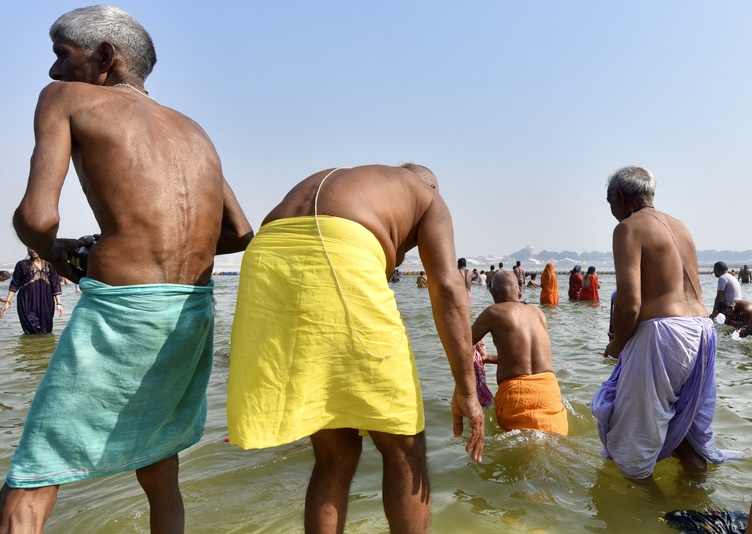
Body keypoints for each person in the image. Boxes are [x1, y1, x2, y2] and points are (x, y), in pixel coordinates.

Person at [0, 6, 254, 534]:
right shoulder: (193, 128)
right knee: (160, 465)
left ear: (106, 57)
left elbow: (36, 216)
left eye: (61, 56)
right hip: (191, 312)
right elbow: (239, 234)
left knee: (31, 477)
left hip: (123, 310)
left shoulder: (65, 99)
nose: (53, 73)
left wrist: (67, 254)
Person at [226, 164, 484, 533]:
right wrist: (467, 390)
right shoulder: (428, 197)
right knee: (403, 448)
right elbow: (447, 289)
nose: (409, 247)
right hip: (339, 249)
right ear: (427, 186)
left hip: (267, 258)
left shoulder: (357, 182)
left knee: (333, 455)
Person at [592, 166, 741, 480]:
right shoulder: (680, 226)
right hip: (702, 332)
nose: (612, 212)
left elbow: (630, 302)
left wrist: (618, 344)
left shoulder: (628, 228)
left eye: (609, 203)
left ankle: (650, 516)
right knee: (684, 428)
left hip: (665, 334)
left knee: (633, 441)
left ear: (620, 197)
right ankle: (697, 501)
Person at [471, 270, 568, 434]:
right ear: (520, 291)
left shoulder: (493, 312)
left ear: (493, 293)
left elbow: (463, 343)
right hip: (549, 393)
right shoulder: (538, 313)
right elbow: (526, 359)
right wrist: (488, 358)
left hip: (516, 397)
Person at [0, 249, 63, 334]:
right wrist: (7, 302)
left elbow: (55, 285)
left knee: (46, 330)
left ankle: (46, 347)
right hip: (26, 301)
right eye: (30, 247)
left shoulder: (50, 265)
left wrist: (59, 303)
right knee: (30, 329)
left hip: (46, 302)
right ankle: (29, 346)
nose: (32, 250)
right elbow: (14, 284)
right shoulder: (22, 264)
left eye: (35, 246)